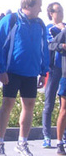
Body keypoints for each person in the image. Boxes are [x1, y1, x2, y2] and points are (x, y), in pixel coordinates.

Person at [0, 0, 49, 156]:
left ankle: (22, 143)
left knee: (29, 106)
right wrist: (1, 70)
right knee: (7, 104)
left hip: (31, 72)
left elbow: (43, 47)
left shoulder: (39, 23)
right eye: (39, 5)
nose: (41, 9)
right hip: (12, 71)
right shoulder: (11, 20)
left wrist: (43, 71)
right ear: (29, 6)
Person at [42, 2, 66, 148]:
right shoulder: (49, 28)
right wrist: (62, 44)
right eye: (58, 11)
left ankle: (63, 134)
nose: (61, 13)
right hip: (53, 67)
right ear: (51, 13)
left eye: (62, 10)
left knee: (63, 104)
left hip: (64, 68)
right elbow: (50, 44)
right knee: (49, 102)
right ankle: (47, 135)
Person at [47, 22, 66, 155]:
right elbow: (51, 44)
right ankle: (60, 143)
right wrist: (62, 46)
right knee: (64, 110)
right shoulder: (64, 32)